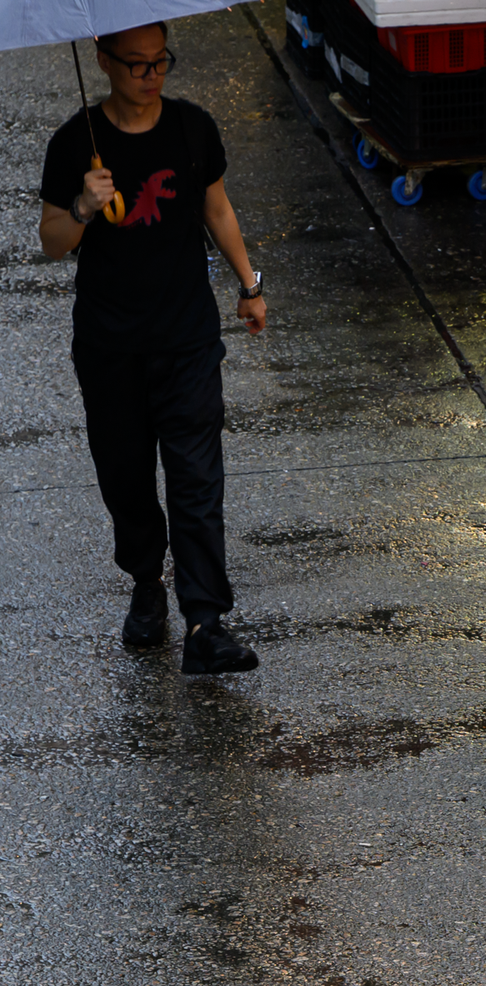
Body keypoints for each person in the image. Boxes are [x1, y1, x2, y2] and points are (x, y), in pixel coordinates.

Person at [38, 21, 264, 675]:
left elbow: (216, 209)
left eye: (161, 60)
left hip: (187, 337)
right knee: (127, 476)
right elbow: (52, 242)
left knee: (197, 480)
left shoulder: (193, 129)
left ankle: (206, 621)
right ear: (104, 61)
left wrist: (249, 285)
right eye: (136, 64)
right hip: (110, 346)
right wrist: (82, 205)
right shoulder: (73, 144)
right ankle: (145, 583)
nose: (151, 74)